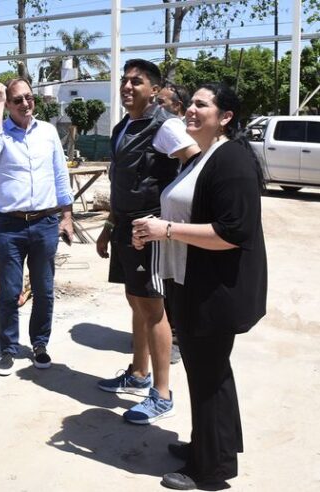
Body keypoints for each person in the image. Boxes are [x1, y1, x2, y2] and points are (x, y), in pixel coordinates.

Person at [131, 84, 267, 490]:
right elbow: (187, 209)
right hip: (189, 282)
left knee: (209, 375)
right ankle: (209, 446)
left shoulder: (232, 161)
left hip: (216, 290)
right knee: (205, 373)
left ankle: (211, 471)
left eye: (201, 105)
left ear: (225, 117)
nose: (189, 110)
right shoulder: (203, 155)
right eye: (190, 103)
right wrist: (152, 230)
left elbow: (232, 233)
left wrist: (166, 229)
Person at [95, 59, 199, 424]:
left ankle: (162, 394)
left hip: (148, 230)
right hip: (124, 226)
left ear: (154, 90)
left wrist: (171, 218)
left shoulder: (165, 125)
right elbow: (122, 183)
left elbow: (194, 162)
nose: (127, 86)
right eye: (124, 80)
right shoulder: (125, 125)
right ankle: (138, 374)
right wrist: (109, 224)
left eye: (136, 82)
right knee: (135, 301)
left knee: (153, 308)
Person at [0, 78, 74, 377]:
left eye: (29, 98)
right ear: (8, 104)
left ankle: (39, 344)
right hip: (10, 226)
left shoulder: (47, 132)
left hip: (45, 222)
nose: (25, 104)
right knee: (9, 290)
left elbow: (60, 173)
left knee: (45, 290)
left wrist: (67, 215)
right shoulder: (1, 133)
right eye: (17, 100)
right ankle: (8, 348)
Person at [158, 80, 192, 365]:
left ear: (176, 106)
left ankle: (178, 339)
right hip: (165, 219)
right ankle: (168, 333)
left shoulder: (175, 129)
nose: (158, 107)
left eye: (163, 102)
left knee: (179, 279)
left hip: (181, 221)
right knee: (166, 279)